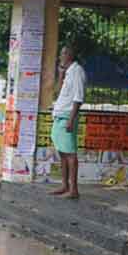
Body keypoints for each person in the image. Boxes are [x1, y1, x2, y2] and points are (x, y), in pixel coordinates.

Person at [50, 45, 87, 199]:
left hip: (67, 116)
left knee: (70, 153)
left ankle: (74, 190)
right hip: (59, 115)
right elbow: (57, 92)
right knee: (62, 151)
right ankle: (64, 184)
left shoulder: (77, 71)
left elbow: (79, 98)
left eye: (63, 54)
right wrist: (60, 74)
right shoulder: (68, 72)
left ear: (70, 55)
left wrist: (71, 120)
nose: (60, 56)